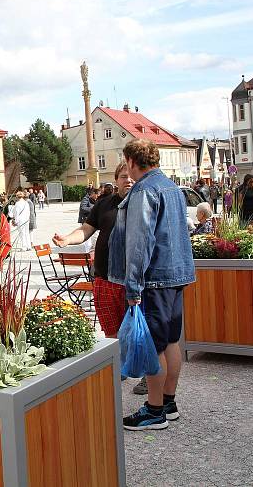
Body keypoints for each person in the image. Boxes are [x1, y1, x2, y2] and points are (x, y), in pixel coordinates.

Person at [108, 139, 195, 431]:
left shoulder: (144, 191)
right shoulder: (172, 187)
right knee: (171, 341)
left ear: (132, 161)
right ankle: (168, 403)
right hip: (177, 275)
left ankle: (154, 411)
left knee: (152, 345)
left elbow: (139, 243)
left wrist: (132, 287)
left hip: (154, 279)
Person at [53, 162, 133, 340]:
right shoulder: (104, 204)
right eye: (123, 177)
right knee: (111, 336)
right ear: (116, 180)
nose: (128, 180)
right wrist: (67, 239)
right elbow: (86, 230)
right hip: (103, 280)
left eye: (132, 176)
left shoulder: (142, 204)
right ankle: (117, 367)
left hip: (131, 281)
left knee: (135, 336)